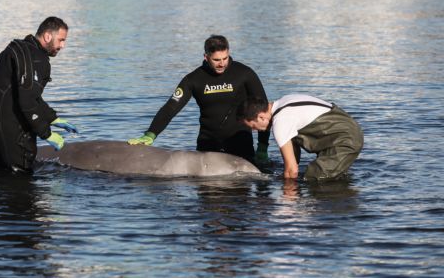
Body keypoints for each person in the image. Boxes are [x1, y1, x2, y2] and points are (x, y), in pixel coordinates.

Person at [128, 35, 270, 165]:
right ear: (206, 57)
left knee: (240, 191)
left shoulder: (244, 73)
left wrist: (262, 147)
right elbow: (171, 107)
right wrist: (151, 134)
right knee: (207, 191)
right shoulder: (194, 79)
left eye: (225, 58)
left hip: (240, 143)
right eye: (216, 60)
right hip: (207, 144)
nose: (222, 64)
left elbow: (264, 110)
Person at [0, 16, 78, 173]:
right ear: (48, 36)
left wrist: (51, 117)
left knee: (0, 177)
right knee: (20, 181)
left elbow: (28, 95)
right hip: (11, 132)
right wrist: (46, 133)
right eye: (61, 40)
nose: (63, 45)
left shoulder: (18, 50)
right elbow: (27, 101)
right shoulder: (37, 59)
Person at [237, 94, 363, 180]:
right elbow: (294, 151)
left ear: (261, 117)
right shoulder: (284, 101)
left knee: (315, 177)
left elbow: (292, 170)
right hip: (344, 128)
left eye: (253, 126)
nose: (254, 131)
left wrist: (287, 200)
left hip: (346, 139)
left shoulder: (281, 122)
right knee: (325, 176)